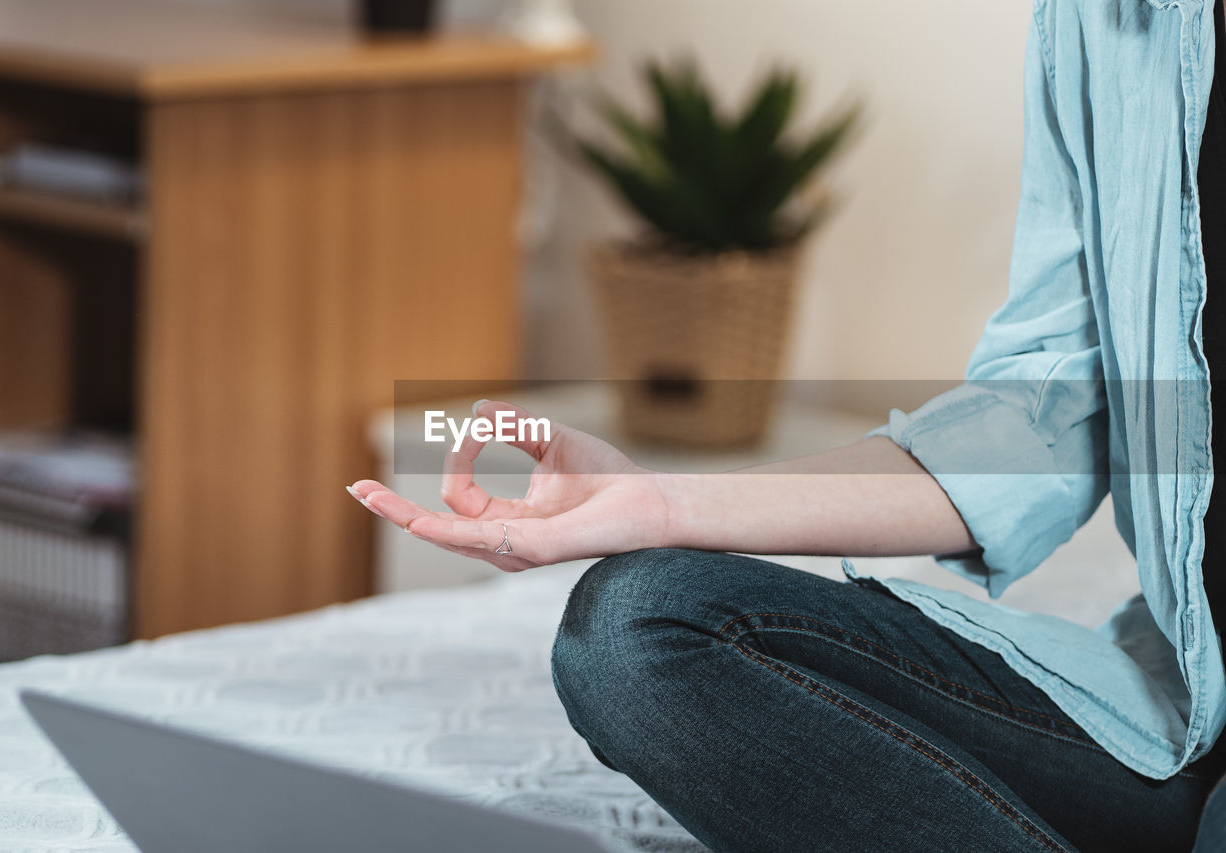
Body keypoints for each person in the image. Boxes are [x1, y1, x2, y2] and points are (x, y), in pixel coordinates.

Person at [348, 0, 1226, 849]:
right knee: (637, 629)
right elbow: (1045, 414)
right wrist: (659, 505)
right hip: (1184, 715)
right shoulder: (1111, 20)